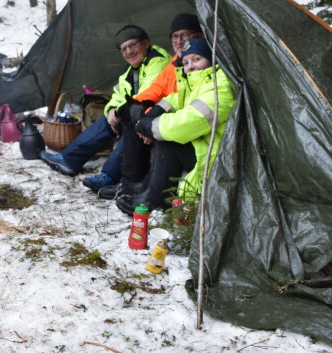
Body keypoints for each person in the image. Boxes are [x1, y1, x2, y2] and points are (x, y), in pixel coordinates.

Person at [116, 37, 236, 215]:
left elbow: (185, 123)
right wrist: (153, 112)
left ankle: (154, 202)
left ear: (212, 60)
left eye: (197, 59)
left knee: (169, 140)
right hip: (203, 147)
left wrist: (149, 126)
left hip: (219, 158)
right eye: (186, 62)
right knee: (147, 126)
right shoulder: (195, 82)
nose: (190, 66)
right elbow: (175, 99)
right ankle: (148, 188)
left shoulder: (221, 87)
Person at [39, 25, 170, 184]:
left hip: (157, 116)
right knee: (107, 120)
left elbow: (147, 97)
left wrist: (120, 112)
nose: (129, 52)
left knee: (130, 124)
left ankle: (110, 175)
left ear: (146, 43)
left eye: (133, 45)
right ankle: (69, 160)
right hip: (137, 112)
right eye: (124, 49)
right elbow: (119, 94)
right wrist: (112, 110)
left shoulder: (158, 62)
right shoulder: (130, 70)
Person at [94, 13, 204, 199]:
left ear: (200, 35)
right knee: (131, 114)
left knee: (141, 122)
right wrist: (136, 107)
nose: (179, 41)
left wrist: (148, 119)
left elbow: (186, 103)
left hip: (186, 122)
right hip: (171, 113)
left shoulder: (203, 62)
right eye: (175, 37)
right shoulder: (174, 63)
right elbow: (157, 89)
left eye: (185, 35)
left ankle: (139, 188)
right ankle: (129, 184)